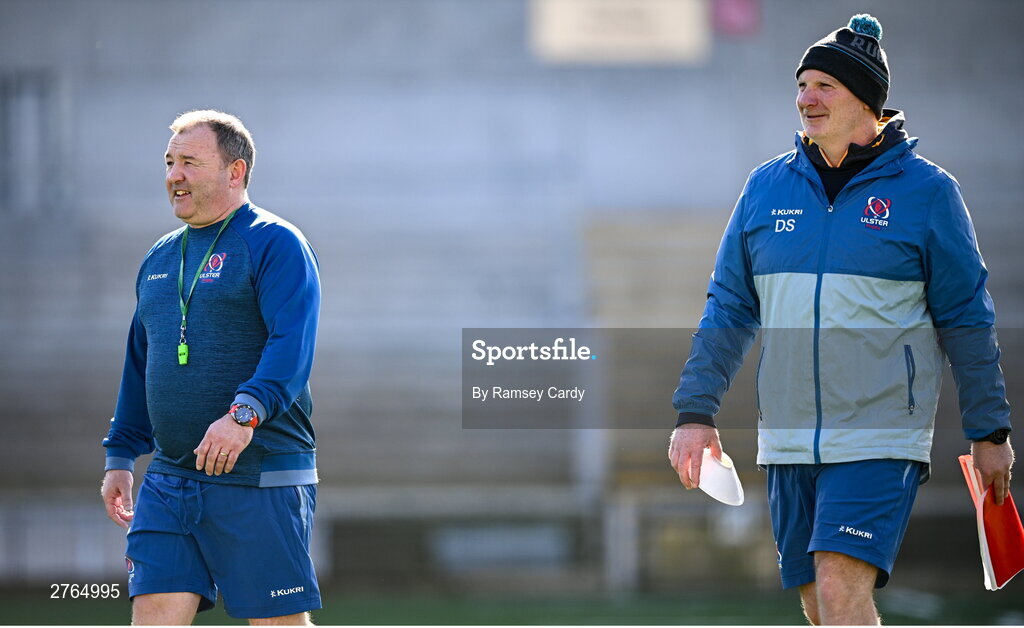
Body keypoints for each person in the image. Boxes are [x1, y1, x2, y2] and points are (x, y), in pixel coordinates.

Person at [667, 14, 1014, 626]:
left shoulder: (929, 193)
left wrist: (989, 433)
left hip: (881, 436)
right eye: (802, 84)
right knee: (818, 605)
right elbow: (727, 307)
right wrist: (695, 415)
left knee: (837, 586)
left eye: (824, 85)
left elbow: (966, 318)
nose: (806, 98)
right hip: (788, 440)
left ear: (868, 101)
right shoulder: (764, 188)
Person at [100, 110, 322, 625]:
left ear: (234, 171)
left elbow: (293, 346)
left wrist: (242, 416)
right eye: (170, 162)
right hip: (171, 478)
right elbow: (142, 362)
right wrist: (120, 453)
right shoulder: (159, 256)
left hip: (259, 474)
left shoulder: (275, 242)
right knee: (153, 614)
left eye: (190, 163)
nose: (173, 175)